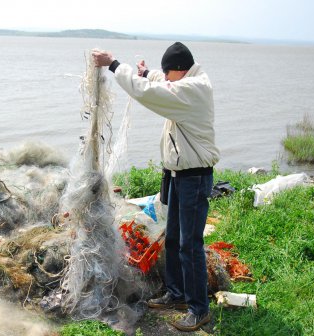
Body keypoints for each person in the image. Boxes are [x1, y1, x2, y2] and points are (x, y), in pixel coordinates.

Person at [92, 42, 219, 332]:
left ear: (179, 71)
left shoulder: (191, 90)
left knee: (191, 245)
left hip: (194, 178)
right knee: (173, 238)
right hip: (178, 175)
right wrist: (147, 72)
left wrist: (113, 65)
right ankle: (176, 295)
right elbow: (160, 82)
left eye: (167, 73)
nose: (165, 77)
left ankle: (199, 311)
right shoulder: (187, 79)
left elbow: (149, 92)